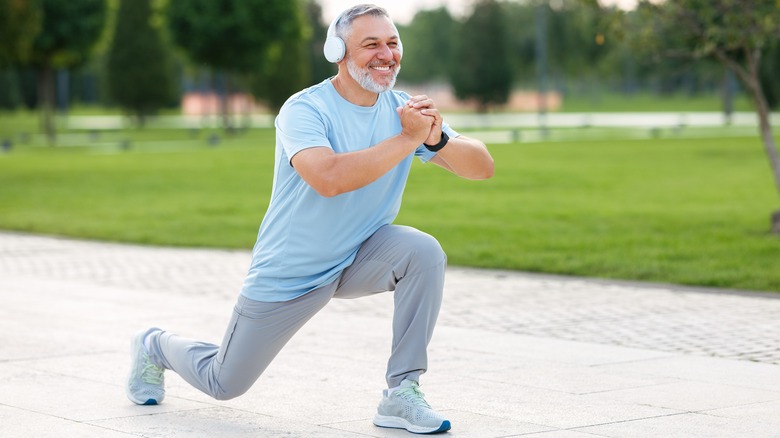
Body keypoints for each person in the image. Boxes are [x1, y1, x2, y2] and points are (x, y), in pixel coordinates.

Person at [126, 3, 493, 434]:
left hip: (359, 256)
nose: (386, 54)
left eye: (392, 43)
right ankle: (154, 346)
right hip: (292, 272)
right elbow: (328, 177)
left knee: (422, 252)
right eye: (370, 44)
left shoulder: (403, 113)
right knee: (225, 382)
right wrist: (408, 138)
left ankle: (402, 393)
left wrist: (435, 136)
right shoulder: (305, 109)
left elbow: (481, 166)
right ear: (337, 50)